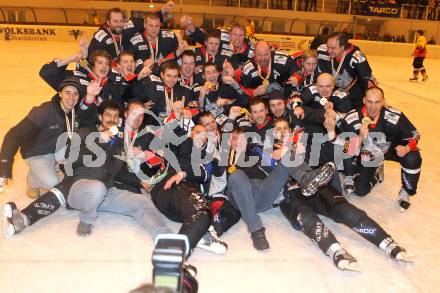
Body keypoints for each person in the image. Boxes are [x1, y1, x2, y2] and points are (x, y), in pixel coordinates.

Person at [2, 100, 173, 239]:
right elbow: (71, 161)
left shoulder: (119, 143)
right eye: (108, 115)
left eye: (115, 116)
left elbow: (119, 171)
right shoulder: (84, 133)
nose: (112, 119)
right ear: (100, 116)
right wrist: (99, 140)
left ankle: (166, 237)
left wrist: (140, 182)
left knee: (141, 202)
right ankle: (85, 220)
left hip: (106, 190)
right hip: (79, 187)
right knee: (95, 188)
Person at [0, 78, 87, 198]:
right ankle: (32, 180)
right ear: (60, 93)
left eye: (75, 94)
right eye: (67, 93)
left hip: (57, 149)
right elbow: (14, 135)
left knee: (78, 154)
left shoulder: (72, 111)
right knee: (53, 183)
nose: (71, 98)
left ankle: (50, 166)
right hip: (37, 153)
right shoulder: (44, 111)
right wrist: (5, 164)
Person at [339, 87, 422, 211]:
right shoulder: (351, 118)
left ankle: (406, 192)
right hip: (369, 155)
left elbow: (415, 135)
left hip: (391, 151)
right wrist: (361, 137)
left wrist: (407, 148)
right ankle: (377, 172)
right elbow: (346, 150)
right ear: (363, 100)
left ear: (383, 101)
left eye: (377, 102)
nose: (373, 107)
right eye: (369, 102)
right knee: (360, 190)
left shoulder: (395, 116)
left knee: (413, 158)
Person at [317, 32, 375, 108]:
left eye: (333, 48)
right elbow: (309, 59)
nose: (329, 51)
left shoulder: (356, 56)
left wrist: (374, 95)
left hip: (351, 91)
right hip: (330, 90)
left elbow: (366, 79)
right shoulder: (321, 50)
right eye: (328, 47)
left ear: (343, 47)